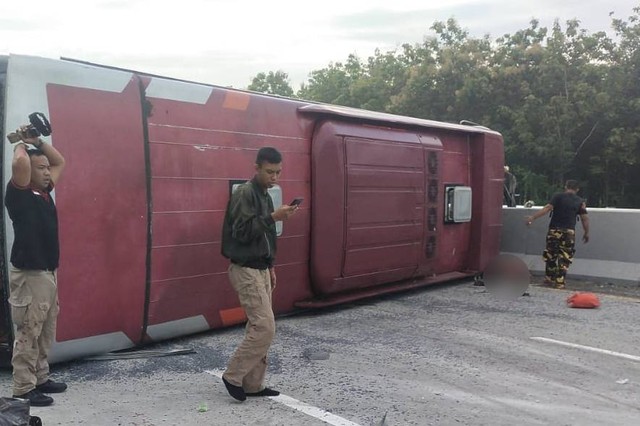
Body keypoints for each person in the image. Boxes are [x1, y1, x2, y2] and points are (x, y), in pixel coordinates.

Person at [220, 147, 298, 402]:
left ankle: (253, 385)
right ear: (256, 168)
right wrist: (274, 216)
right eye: (269, 172)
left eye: (278, 172)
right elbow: (242, 233)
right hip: (245, 269)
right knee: (264, 326)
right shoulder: (245, 193)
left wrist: (271, 266)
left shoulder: (264, 194)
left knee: (260, 326)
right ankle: (232, 376)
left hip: (261, 268)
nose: (274, 177)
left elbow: (266, 237)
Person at [5, 125, 66, 407]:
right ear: (28, 172)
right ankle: (23, 388)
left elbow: (59, 161)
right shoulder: (18, 195)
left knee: (45, 329)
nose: (46, 172)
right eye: (39, 168)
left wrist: (37, 142)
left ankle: (40, 378)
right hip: (30, 274)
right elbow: (19, 162)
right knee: (29, 331)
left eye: (45, 168)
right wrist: (20, 143)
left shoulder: (44, 192)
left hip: (48, 272)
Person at [525, 180, 589, 289]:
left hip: (554, 230)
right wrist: (586, 233)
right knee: (565, 257)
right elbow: (584, 218)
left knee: (551, 255)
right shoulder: (580, 201)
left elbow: (547, 208)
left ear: (566, 186)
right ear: (577, 189)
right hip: (569, 232)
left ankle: (549, 279)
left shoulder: (558, 197)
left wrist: (533, 217)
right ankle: (560, 282)